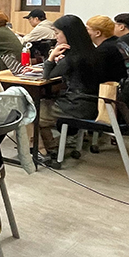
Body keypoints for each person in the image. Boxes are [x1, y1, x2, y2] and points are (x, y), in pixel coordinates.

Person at [38, 15, 101, 166]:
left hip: (76, 106)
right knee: (40, 107)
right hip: (93, 103)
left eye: (57, 33)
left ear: (68, 34)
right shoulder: (93, 51)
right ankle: (50, 146)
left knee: (30, 112)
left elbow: (47, 77)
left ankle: (42, 151)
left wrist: (51, 57)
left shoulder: (73, 57)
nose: (55, 36)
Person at [86, 15, 129, 82]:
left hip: (115, 85)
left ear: (98, 33)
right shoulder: (120, 42)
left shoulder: (103, 51)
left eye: (87, 29)